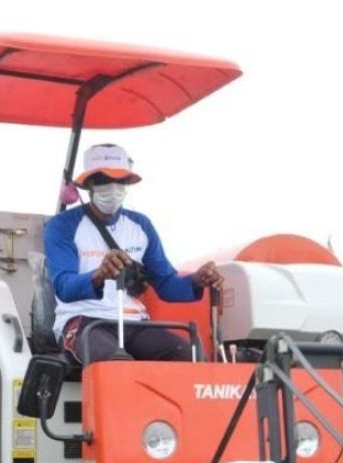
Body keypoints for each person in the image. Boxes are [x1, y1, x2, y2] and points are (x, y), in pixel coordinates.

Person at [44, 143, 223, 363]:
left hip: (135, 323)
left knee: (190, 357)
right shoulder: (62, 225)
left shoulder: (140, 225)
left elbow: (166, 284)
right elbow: (64, 287)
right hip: (84, 321)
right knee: (116, 366)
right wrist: (99, 274)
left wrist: (196, 280)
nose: (112, 187)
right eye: (102, 180)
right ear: (88, 184)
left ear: (127, 183)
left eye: (119, 180)